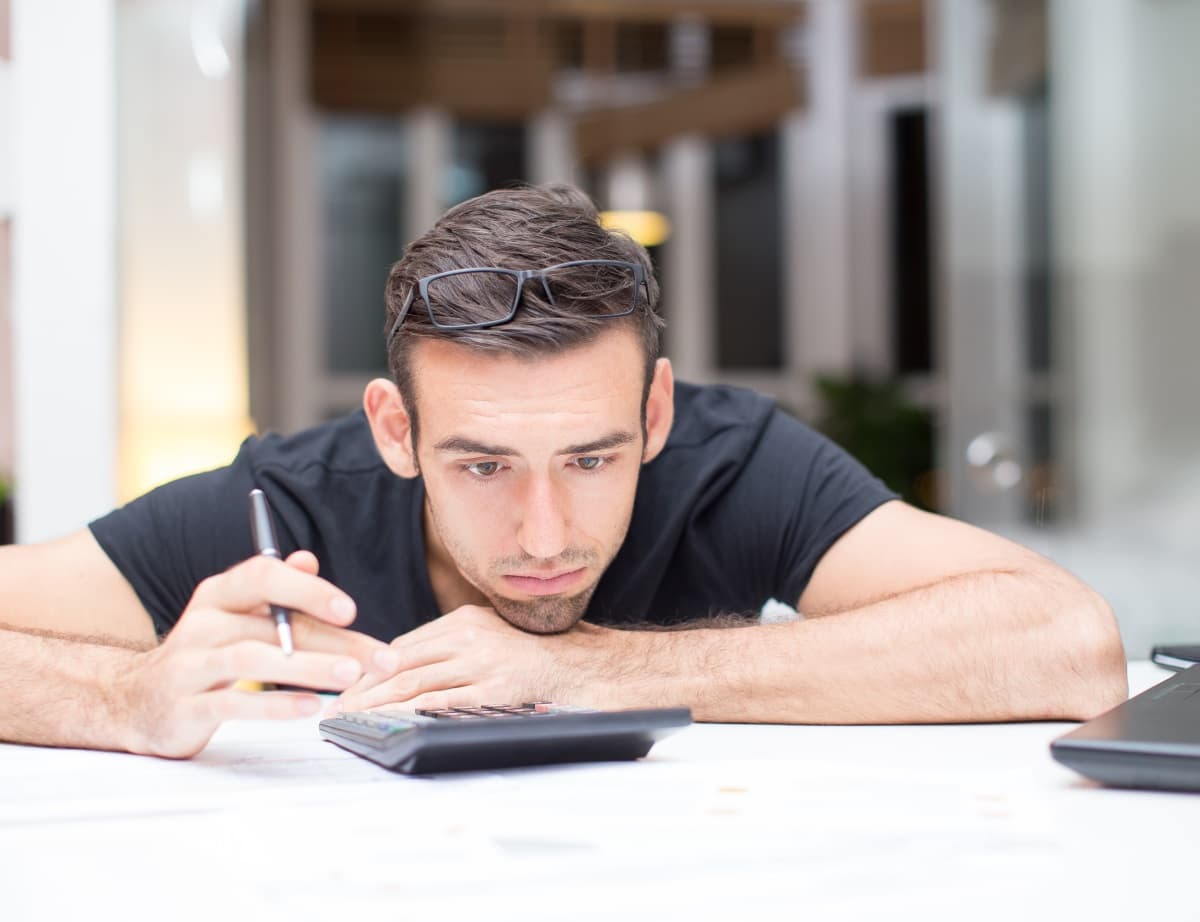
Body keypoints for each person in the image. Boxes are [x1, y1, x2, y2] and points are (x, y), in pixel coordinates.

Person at [0, 184, 1126, 759]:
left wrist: (593, 667)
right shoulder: (291, 501)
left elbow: (1066, 642)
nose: (544, 533)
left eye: (592, 457)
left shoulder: (733, 461)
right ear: (395, 432)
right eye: (482, 462)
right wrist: (123, 697)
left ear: (656, 410)